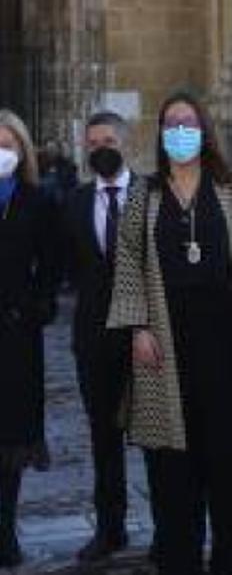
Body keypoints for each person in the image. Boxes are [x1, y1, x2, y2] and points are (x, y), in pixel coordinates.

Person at [107, 91, 232, 574]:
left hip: (226, 343)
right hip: (164, 340)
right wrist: (137, 325)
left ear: (204, 129)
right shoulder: (145, 194)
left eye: (188, 121)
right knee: (173, 464)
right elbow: (129, 260)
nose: (180, 130)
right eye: (171, 123)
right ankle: (178, 559)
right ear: (161, 133)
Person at [61, 111, 137, 563]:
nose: (100, 148)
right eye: (92, 143)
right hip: (94, 338)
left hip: (148, 337)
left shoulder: (153, 195)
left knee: (157, 436)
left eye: (107, 140)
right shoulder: (74, 202)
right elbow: (68, 268)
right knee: (103, 438)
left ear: (126, 142)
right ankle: (111, 528)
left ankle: (170, 525)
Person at [0, 109, 57, 568]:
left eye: (7, 144)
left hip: (15, 337)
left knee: (11, 440)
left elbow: (52, 265)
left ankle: (5, 533)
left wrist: (36, 309)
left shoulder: (38, 201)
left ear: (22, 151)